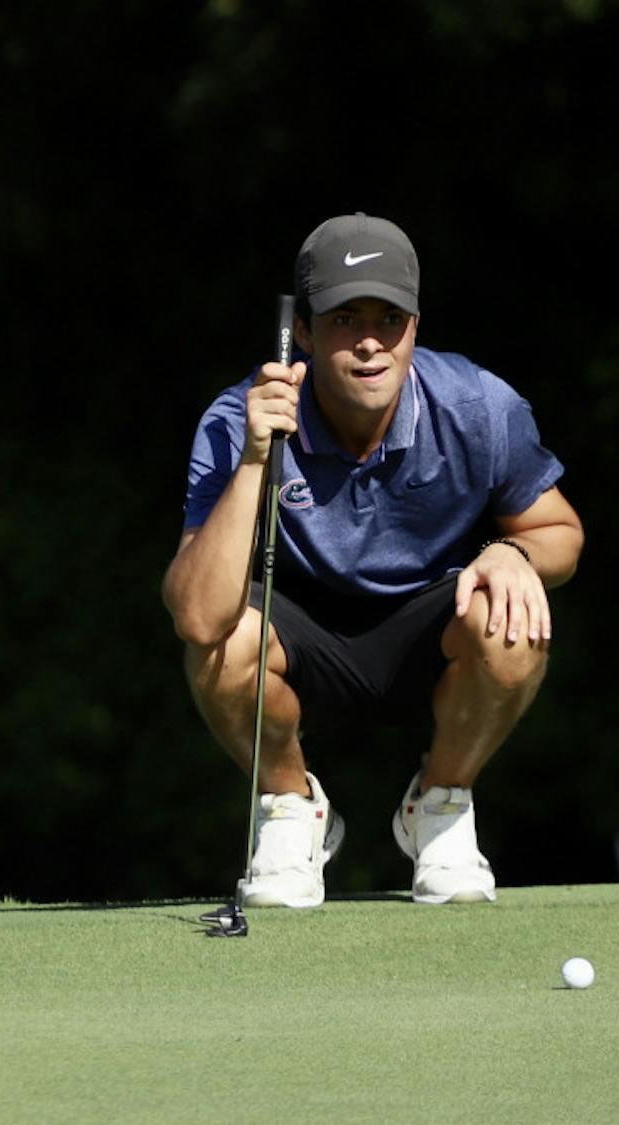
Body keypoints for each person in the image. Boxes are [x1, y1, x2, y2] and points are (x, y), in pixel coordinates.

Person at [162, 213, 584, 907]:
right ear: (302, 331)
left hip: (429, 620)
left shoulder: (477, 404)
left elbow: (560, 531)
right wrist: (255, 459)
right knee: (221, 645)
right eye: (343, 318)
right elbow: (199, 615)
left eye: (389, 318)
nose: (368, 343)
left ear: (416, 323)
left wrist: (514, 552)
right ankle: (292, 813)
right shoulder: (238, 415)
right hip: (297, 627)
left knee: (514, 618)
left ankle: (441, 807)